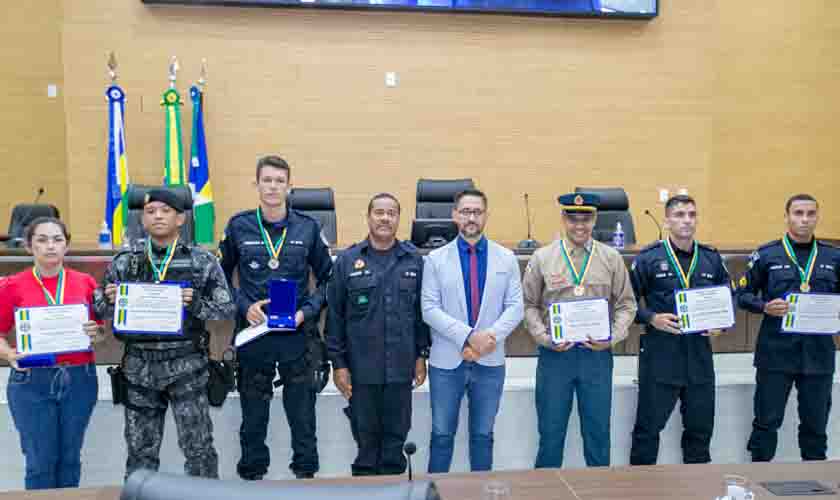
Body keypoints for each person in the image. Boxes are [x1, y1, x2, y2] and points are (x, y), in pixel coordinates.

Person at [95, 189, 235, 478]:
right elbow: (98, 309)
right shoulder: (124, 261)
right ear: (142, 219)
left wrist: (194, 303)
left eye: (165, 210)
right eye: (150, 211)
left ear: (181, 218)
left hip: (188, 369)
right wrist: (108, 301)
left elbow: (226, 309)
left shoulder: (201, 261)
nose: (157, 216)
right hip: (138, 369)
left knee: (199, 451)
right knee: (140, 454)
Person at [218, 155, 332, 480]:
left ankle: (305, 482)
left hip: (297, 338)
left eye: (279, 181)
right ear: (257, 184)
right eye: (266, 180)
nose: (273, 186)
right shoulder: (239, 226)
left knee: (303, 423)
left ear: (289, 186)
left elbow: (329, 280)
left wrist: (305, 312)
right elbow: (220, 276)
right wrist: (244, 306)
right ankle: (253, 480)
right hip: (255, 336)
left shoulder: (308, 228)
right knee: (253, 423)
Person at [522, 192, 637, 468]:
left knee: (598, 436)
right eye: (573, 219)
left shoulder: (611, 258)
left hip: (595, 358)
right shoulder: (542, 258)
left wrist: (612, 336)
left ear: (595, 219)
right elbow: (528, 305)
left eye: (586, 218)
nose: (579, 225)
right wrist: (544, 338)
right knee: (550, 436)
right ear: (563, 218)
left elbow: (626, 305)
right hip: (555, 358)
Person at [327, 193, 430, 476]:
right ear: (369, 216)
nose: (385, 218)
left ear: (399, 219)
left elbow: (421, 316)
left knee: (395, 444)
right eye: (379, 212)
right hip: (362, 372)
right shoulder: (347, 261)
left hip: (400, 369)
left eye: (392, 213)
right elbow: (335, 317)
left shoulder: (414, 261)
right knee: (366, 445)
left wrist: (421, 356)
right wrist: (339, 364)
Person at [421, 188, 523, 473]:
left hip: (490, 361)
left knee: (482, 436)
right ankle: (434, 492)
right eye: (465, 211)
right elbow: (429, 308)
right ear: (455, 215)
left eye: (477, 212)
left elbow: (516, 306)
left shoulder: (506, 258)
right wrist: (469, 336)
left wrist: (488, 339)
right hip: (446, 362)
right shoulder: (435, 259)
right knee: (441, 436)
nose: (471, 217)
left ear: (486, 216)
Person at [0, 217, 103, 489]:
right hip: (31, 380)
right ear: (28, 247)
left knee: (70, 459)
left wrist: (96, 332)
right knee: (40, 461)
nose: (50, 246)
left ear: (66, 246)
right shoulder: (13, 285)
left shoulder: (85, 282)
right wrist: (9, 353)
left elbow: (100, 332)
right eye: (42, 240)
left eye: (57, 240)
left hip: (79, 378)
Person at [736, 193, 839, 462]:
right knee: (766, 424)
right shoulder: (767, 254)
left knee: (815, 428)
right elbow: (742, 296)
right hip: (776, 354)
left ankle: (816, 486)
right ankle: (757, 484)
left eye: (810, 214)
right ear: (787, 217)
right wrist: (765, 307)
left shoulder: (833, 256)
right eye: (798, 213)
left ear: (817, 217)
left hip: (818, 356)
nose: (804, 220)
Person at [628, 195, 730, 465]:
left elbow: (728, 297)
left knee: (700, 431)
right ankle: (640, 491)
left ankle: (696, 491)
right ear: (667, 220)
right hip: (661, 354)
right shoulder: (649, 259)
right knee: (648, 430)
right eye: (680, 215)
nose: (686, 220)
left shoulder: (711, 258)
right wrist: (651, 318)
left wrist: (721, 324)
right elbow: (624, 303)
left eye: (691, 214)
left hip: (699, 355)